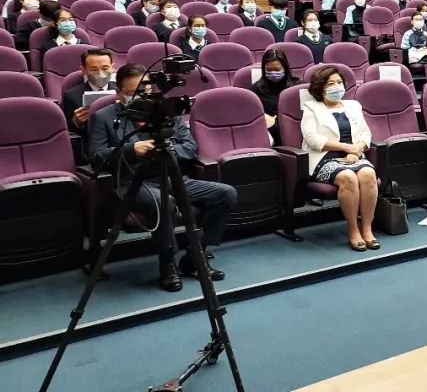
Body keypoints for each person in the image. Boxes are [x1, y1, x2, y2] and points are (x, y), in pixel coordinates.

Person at [88, 64, 237, 292]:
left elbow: (190, 147)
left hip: (171, 176)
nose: (141, 97)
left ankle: (195, 256)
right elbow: (97, 156)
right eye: (133, 93)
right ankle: (168, 264)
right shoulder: (103, 117)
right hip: (133, 182)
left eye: (146, 92)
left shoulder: (163, 111)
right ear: (119, 93)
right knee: (164, 202)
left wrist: (169, 150)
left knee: (226, 194)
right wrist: (131, 149)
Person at [300, 66, 380, 251]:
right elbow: (312, 139)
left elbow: (365, 134)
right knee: (348, 177)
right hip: (323, 157)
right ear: (320, 88)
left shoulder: (353, 106)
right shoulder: (311, 107)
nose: (336, 86)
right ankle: (353, 230)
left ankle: (367, 229)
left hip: (353, 154)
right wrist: (346, 147)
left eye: (339, 82)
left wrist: (356, 150)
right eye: (331, 83)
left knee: (368, 174)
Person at [62, 48, 115, 137]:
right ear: (84, 70)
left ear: (112, 67)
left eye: (105, 68)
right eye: (94, 69)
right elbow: (70, 132)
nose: (100, 74)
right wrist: (77, 122)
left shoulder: (122, 90)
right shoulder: (71, 96)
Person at [249, 49, 296, 145]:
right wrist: (262, 117)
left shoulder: (296, 88)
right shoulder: (255, 90)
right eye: (269, 70)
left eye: (277, 69)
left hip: (295, 133)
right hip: (269, 136)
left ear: (285, 68)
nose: (273, 73)